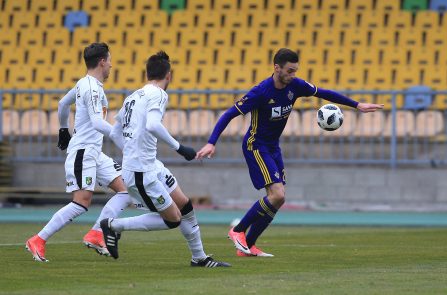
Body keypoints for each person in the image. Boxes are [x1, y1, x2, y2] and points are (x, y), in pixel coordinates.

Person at [196, 48, 384, 257]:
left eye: (295, 71)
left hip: (273, 147)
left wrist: (357, 105)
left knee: (278, 199)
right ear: (277, 68)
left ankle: (247, 246)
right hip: (255, 145)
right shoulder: (260, 92)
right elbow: (230, 114)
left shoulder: (295, 86)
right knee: (277, 194)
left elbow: (323, 92)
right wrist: (212, 142)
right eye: (290, 71)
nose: (293, 75)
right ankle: (238, 230)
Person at [99, 51, 230, 267]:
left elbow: (114, 133)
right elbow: (152, 124)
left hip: (151, 166)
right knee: (173, 219)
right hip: (142, 173)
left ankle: (200, 258)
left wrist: (130, 152)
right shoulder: (159, 94)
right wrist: (180, 148)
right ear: (168, 75)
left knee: (185, 205)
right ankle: (112, 225)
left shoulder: (132, 97)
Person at [25, 42, 128, 262]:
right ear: (102, 62)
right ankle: (38, 239)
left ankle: (96, 233)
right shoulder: (91, 87)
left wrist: (63, 129)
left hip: (94, 152)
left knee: (125, 189)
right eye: (109, 60)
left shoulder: (85, 84)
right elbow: (97, 123)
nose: (111, 65)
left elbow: (63, 104)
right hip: (83, 152)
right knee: (82, 202)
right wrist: (125, 142)